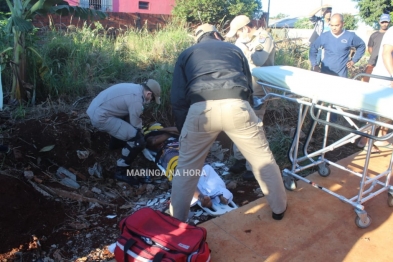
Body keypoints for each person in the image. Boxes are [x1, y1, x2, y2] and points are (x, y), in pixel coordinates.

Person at [170, 23, 287, 222]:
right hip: (237, 105)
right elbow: (247, 84)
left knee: (186, 169)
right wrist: (248, 113)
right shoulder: (234, 49)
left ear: (198, 39)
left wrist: (185, 133)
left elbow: (178, 99)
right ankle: (279, 209)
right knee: (263, 160)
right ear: (217, 35)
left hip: (200, 110)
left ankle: (176, 222)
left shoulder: (186, 54)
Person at [225, 15, 276, 180]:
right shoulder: (246, 41)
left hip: (259, 88)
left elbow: (258, 60)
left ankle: (253, 166)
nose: (238, 38)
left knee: (255, 126)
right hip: (244, 87)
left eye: (238, 34)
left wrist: (244, 48)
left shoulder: (263, 38)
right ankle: (240, 159)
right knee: (239, 123)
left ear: (246, 29)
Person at [86, 79, 161, 186]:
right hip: (101, 117)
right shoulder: (137, 100)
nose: (150, 101)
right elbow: (136, 126)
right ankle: (121, 171)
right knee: (137, 141)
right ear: (148, 94)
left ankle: (115, 145)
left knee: (128, 124)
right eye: (152, 99)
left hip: (95, 108)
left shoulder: (135, 88)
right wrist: (142, 146)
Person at [143, 124, 232, 208]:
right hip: (168, 151)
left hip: (182, 147)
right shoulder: (150, 135)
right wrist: (167, 134)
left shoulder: (165, 131)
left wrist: (163, 130)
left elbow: (181, 128)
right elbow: (153, 142)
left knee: (204, 168)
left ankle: (219, 193)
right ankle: (200, 196)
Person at [357, 14, 391, 150]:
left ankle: (382, 137)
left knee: (388, 109)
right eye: (382, 21)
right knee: (374, 109)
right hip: (383, 74)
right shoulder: (384, 34)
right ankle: (364, 140)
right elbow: (385, 53)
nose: (384, 23)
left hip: (387, 75)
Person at [309, 13, 366, 78]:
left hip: (341, 75)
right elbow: (313, 49)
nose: (334, 28)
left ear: (342, 24)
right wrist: (315, 65)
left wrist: (354, 60)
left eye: (336, 25)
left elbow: (362, 46)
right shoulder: (324, 36)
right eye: (332, 25)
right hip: (325, 73)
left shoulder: (350, 36)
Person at [362, 14, 391, 82]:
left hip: (386, 64)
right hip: (372, 63)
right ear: (379, 22)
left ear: (389, 22)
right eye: (382, 22)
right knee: (365, 82)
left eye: (386, 22)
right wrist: (375, 55)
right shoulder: (374, 35)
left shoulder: (390, 35)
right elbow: (370, 47)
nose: (384, 24)